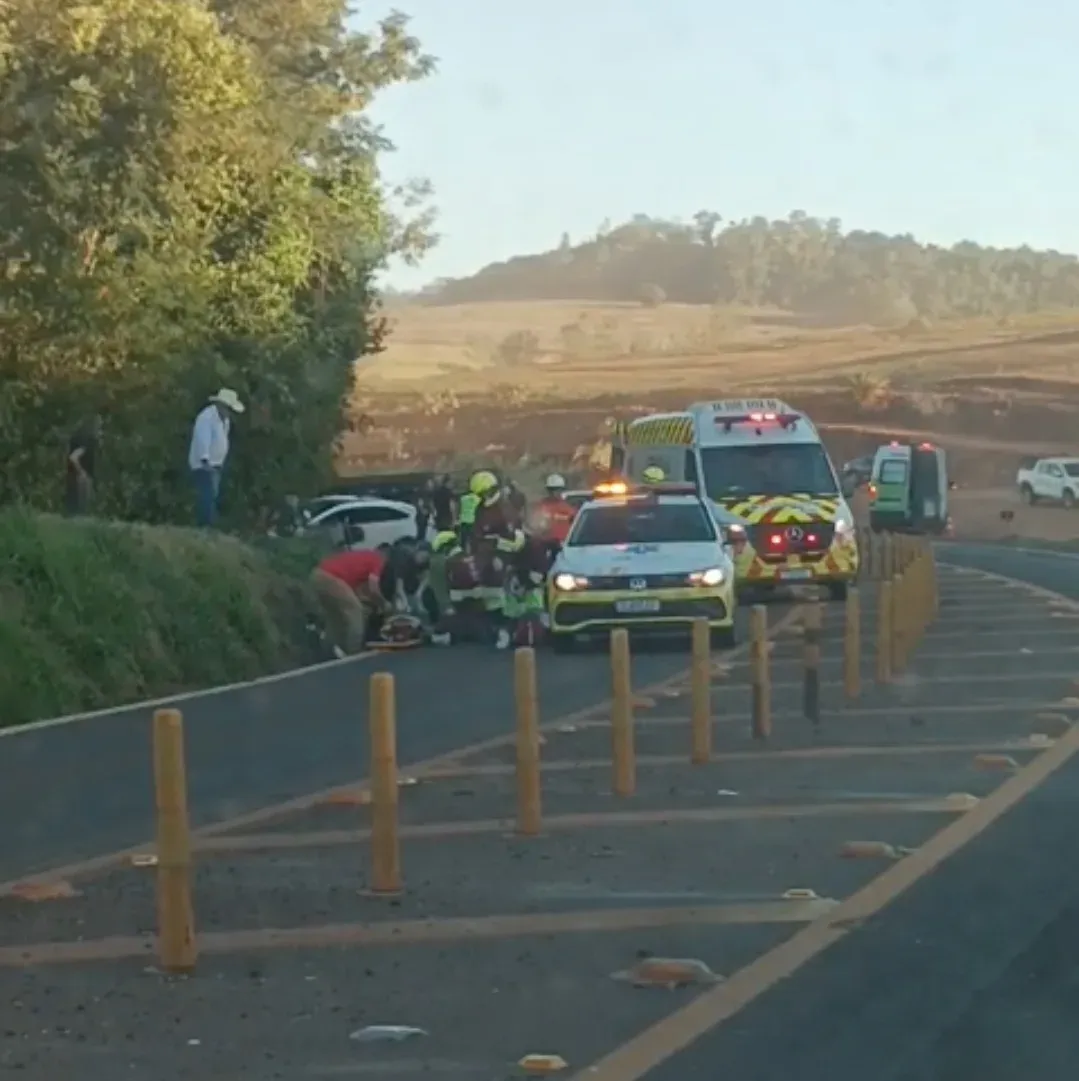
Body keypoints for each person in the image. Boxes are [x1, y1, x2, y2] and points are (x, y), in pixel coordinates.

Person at [310, 545, 387, 654]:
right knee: (355, 611)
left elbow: (358, 591)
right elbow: (373, 586)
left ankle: (326, 651)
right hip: (331, 577)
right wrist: (383, 604)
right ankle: (355, 652)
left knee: (335, 618)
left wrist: (370, 601)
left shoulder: (363, 557)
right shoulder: (378, 559)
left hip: (318, 575)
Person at [188, 388, 244, 527]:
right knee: (207, 495)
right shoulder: (206, 418)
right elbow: (203, 439)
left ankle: (208, 525)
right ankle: (204, 526)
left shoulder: (224, 420)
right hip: (204, 464)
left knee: (213, 495)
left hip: (216, 464)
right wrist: (205, 460)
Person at [530, 473, 577, 564]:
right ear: (548, 491)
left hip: (562, 547)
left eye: (557, 490)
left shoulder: (568, 508)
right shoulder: (541, 506)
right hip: (544, 546)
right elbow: (534, 525)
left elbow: (575, 526)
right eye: (552, 490)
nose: (555, 493)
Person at [65, 413, 102, 516]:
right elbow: (73, 457)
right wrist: (82, 472)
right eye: (98, 427)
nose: (99, 431)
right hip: (81, 479)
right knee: (81, 509)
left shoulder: (81, 439)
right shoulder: (86, 441)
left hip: (74, 476)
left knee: (75, 508)